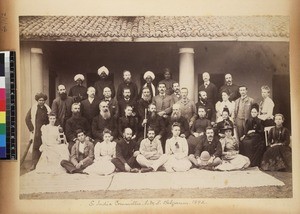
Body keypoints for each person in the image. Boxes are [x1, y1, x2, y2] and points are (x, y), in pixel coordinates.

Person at [25, 92, 51, 171]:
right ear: (37, 100)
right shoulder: (34, 108)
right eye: (40, 100)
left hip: (45, 131)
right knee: (36, 147)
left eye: (43, 100)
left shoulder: (47, 108)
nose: (41, 102)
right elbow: (27, 119)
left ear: (45, 101)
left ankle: (44, 164)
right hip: (37, 131)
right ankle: (34, 164)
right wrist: (32, 129)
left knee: (45, 146)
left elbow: (51, 118)